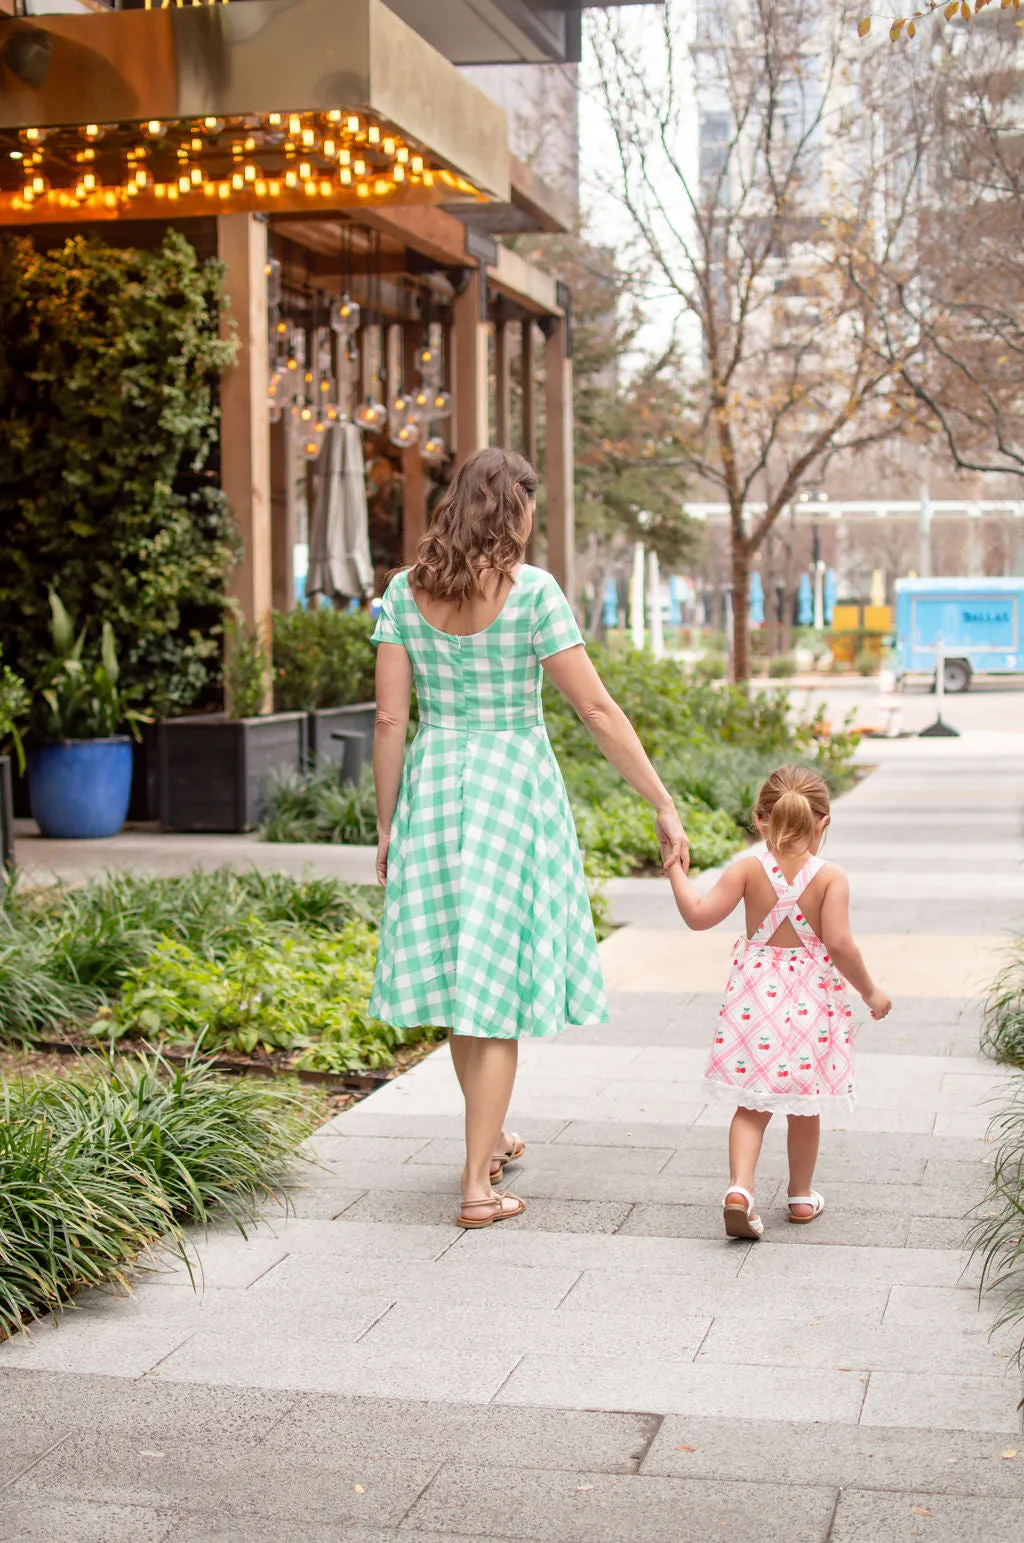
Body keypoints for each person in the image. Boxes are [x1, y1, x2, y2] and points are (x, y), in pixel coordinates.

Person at [371, 447, 688, 1229]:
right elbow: (598, 711)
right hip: (513, 787)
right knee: (497, 994)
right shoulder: (533, 593)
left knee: (460, 980)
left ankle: (492, 1138)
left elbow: (387, 720)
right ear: (511, 508)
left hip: (438, 784)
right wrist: (661, 798)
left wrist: (385, 823)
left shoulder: (403, 596)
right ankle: (478, 1187)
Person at [665, 764, 891, 1240]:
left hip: (754, 999)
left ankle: (739, 1190)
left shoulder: (748, 869)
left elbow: (699, 915)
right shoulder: (831, 878)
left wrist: (674, 872)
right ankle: (801, 1197)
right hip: (812, 1001)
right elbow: (841, 945)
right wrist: (870, 991)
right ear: (823, 822)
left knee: (751, 1104)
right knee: (804, 1105)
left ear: (760, 818)